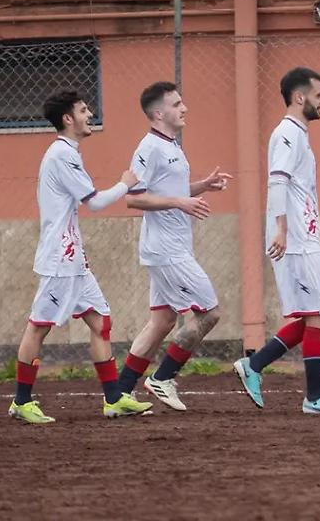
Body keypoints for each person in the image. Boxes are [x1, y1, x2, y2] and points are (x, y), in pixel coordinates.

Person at [8, 90, 152, 424]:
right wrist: (125, 184)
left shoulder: (67, 153)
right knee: (39, 327)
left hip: (74, 259)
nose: (90, 114)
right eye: (84, 110)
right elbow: (96, 202)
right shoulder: (62, 155)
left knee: (101, 322)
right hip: (60, 258)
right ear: (68, 119)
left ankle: (114, 399)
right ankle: (21, 401)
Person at [233, 67, 320, 415]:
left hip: (304, 236)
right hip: (296, 240)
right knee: (318, 317)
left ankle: (254, 366)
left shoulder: (298, 134)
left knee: (311, 317)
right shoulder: (287, 133)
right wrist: (282, 230)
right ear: (300, 98)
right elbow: (277, 181)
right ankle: (314, 399)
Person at [115, 82, 233, 411]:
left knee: (162, 321)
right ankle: (163, 377)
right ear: (158, 113)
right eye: (177, 104)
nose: (184, 108)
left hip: (172, 247)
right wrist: (180, 201)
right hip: (166, 250)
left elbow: (171, 189)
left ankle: (119, 395)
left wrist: (202, 187)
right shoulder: (149, 148)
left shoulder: (172, 145)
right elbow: (132, 198)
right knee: (209, 313)